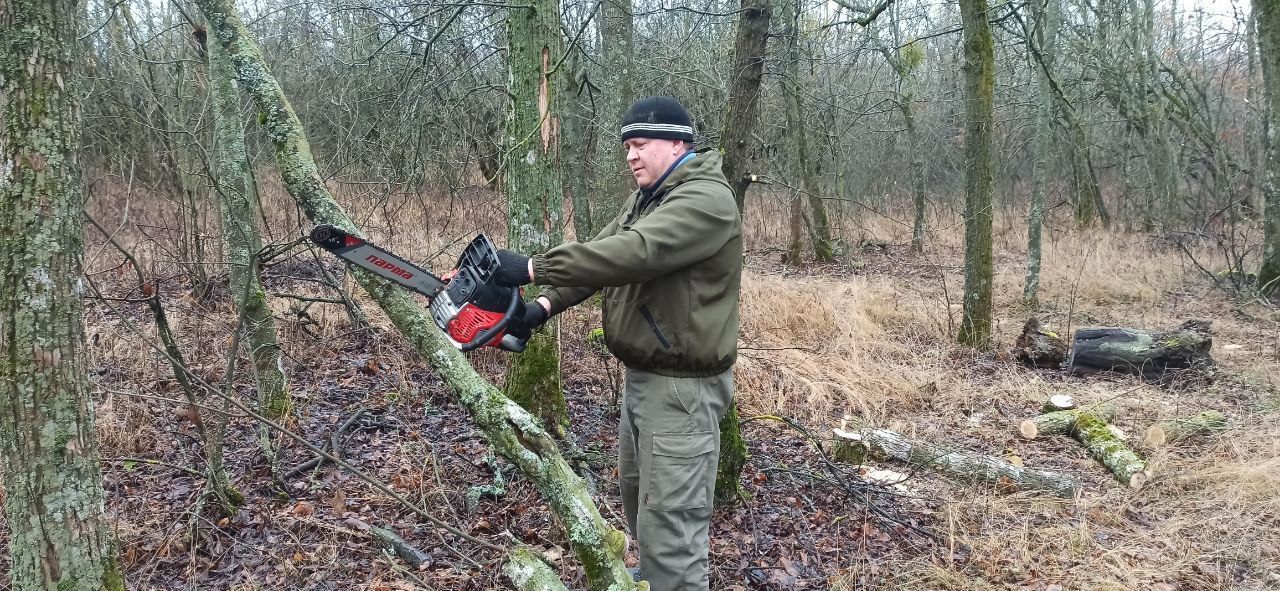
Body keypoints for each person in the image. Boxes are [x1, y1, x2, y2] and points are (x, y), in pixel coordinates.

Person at [491, 95, 743, 590]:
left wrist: (533, 267)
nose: (630, 155)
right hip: (644, 382)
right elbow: (599, 253)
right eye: (626, 145)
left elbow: (634, 253)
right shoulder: (649, 196)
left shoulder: (707, 201)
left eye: (640, 144)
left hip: (682, 392)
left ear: (677, 142)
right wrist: (539, 307)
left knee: (673, 527)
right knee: (640, 505)